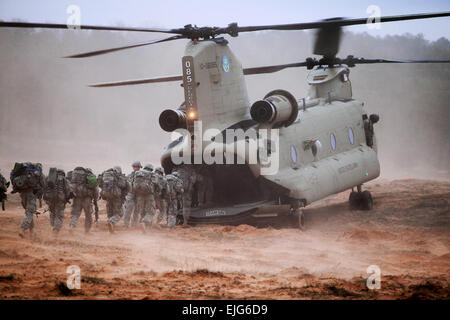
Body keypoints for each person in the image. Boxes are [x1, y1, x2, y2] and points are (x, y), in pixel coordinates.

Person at [10, 162, 45, 239]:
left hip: (22, 194)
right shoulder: (38, 173)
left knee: (29, 212)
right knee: (29, 212)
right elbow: (43, 184)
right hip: (31, 194)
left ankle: (32, 232)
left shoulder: (24, 172)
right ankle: (22, 229)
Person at [98, 166, 129, 234]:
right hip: (116, 197)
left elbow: (100, 184)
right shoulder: (118, 176)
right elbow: (124, 185)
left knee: (110, 213)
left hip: (108, 197)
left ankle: (111, 229)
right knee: (120, 213)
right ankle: (111, 221)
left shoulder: (105, 175)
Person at [69, 167, 98, 234]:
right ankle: (87, 231)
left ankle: (72, 226)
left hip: (77, 198)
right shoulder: (91, 179)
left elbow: (72, 187)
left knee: (75, 214)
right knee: (88, 215)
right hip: (87, 199)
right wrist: (95, 199)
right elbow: (96, 191)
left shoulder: (78, 179)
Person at [43, 168, 72, 235]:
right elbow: (68, 190)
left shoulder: (48, 178)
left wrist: (46, 198)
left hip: (50, 199)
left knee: (52, 213)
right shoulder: (64, 179)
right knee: (59, 215)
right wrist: (67, 198)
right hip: (60, 199)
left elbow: (44, 187)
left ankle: (53, 225)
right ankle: (56, 230)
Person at [133, 165, 156, 232]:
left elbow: (133, 184)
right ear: (151, 169)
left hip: (139, 195)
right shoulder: (151, 174)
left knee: (142, 211)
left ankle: (145, 228)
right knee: (151, 211)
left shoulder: (137, 173)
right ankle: (144, 222)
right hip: (149, 195)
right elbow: (156, 183)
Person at [123, 161, 142, 228]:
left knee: (132, 210)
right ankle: (131, 225)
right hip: (135, 194)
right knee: (132, 210)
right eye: (135, 167)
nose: (135, 168)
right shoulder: (142, 175)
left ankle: (128, 225)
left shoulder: (130, 176)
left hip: (133, 194)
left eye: (136, 167)